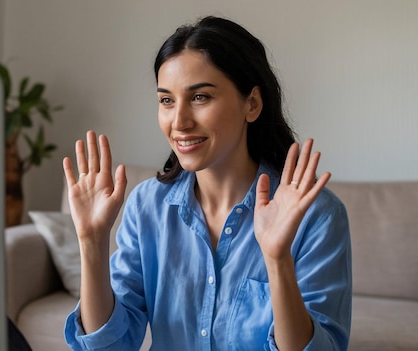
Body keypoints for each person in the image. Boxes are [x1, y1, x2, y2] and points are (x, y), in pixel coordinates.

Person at [62, 16, 352, 351]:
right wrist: (92, 241)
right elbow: (109, 347)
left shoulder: (317, 215)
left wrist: (277, 260)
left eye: (200, 97)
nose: (179, 122)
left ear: (252, 104)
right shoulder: (147, 207)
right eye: (166, 100)